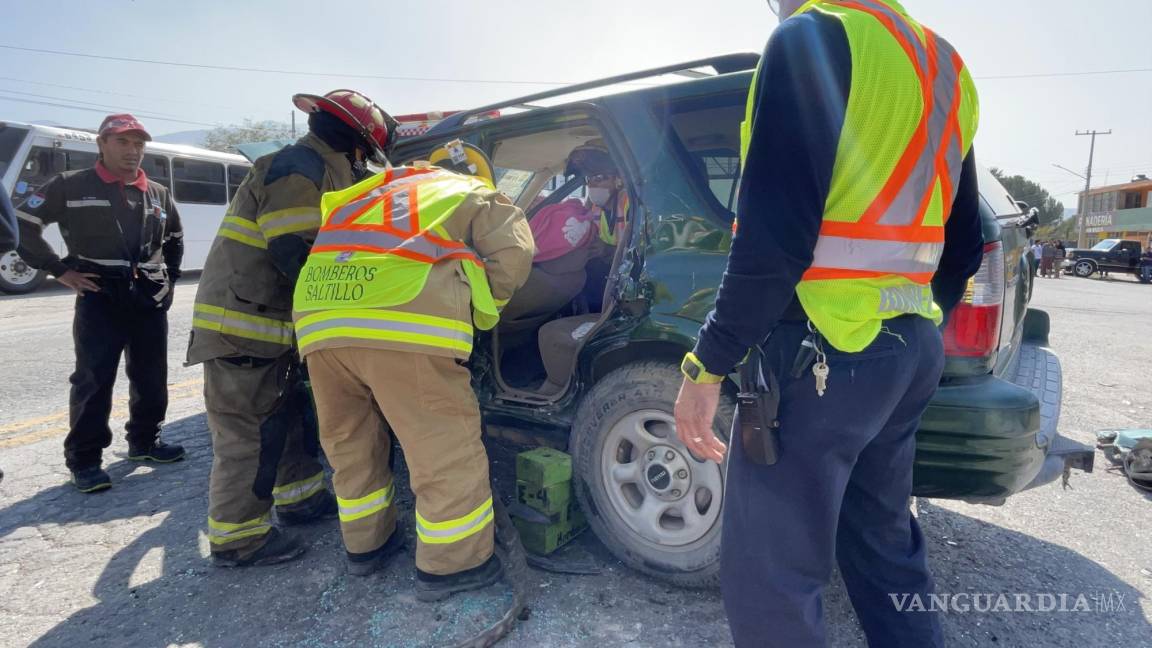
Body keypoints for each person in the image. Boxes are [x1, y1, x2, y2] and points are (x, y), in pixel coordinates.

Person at [673, 1, 983, 646]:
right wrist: (912, 317)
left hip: (820, 350)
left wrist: (708, 362)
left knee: (774, 579)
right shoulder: (944, 64)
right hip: (908, 348)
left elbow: (773, 240)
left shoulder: (809, 38)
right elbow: (964, 243)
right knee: (885, 545)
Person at [292, 140, 534, 600]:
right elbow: (514, 253)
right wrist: (485, 311)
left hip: (319, 323)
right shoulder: (469, 189)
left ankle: (367, 546)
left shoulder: (364, 195)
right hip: (401, 321)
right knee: (441, 445)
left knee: (349, 441)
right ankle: (453, 565)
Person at [187, 90, 397, 568]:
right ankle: (238, 539)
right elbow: (296, 253)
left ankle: (300, 500)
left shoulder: (320, 167)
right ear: (358, 144)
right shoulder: (298, 168)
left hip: (275, 326)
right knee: (249, 435)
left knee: (291, 420)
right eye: (363, 154)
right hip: (245, 325)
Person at [15, 114, 185, 493]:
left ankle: (145, 442)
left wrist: (169, 281)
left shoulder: (157, 192)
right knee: (94, 379)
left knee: (151, 376)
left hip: (148, 296)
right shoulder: (70, 185)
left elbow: (174, 239)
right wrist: (57, 270)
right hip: (99, 294)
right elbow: (23, 223)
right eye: (123, 142)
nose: (132, 150)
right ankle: (85, 460)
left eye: (138, 143)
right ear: (102, 144)